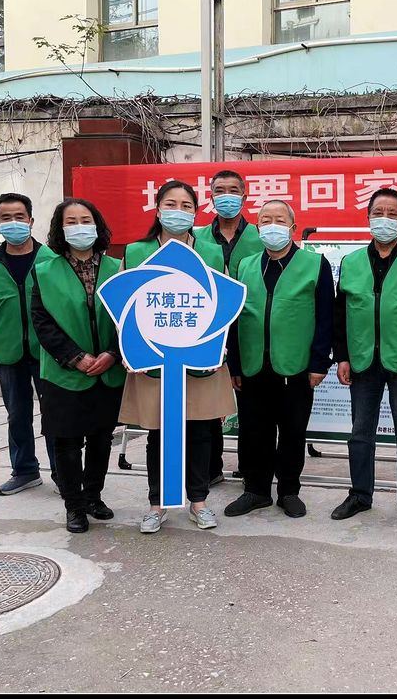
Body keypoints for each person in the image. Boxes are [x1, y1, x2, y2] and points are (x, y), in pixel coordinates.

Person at [119, 180, 235, 534]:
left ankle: (199, 502)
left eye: (187, 206)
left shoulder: (211, 252)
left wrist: (218, 345)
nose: (179, 212)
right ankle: (158, 504)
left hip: (200, 357)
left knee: (199, 430)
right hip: (154, 359)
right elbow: (124, 306)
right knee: (159, 433)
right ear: (157, 209)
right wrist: (130, 347)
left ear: (196, 212)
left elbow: (223, 302)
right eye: (171, 204)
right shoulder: (136, 252)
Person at [331, 188, 397, 525]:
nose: (385, 219)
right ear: (368, 218)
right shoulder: (351, 262)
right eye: (378, 213)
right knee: (360, 432)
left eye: (392, 214)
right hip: (363, 360)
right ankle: (360, 495)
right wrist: (343, 356)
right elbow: (340, 313)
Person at [224, 200, 334, 519]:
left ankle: (288, 491)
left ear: (293, 227)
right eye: (265, 220)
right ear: (258, 228)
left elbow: (326, 317)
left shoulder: (315, 264)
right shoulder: (245, 265)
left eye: (279, 220)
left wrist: (319, 363)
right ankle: (256, 490)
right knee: (253, 431)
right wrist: (235, 365)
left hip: (296, 366)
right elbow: (235, 318)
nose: (272, 226)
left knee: (292, 431)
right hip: (252, 365)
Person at [30, 199, 126, 533]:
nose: (79, 227)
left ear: (97, 226)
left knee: (101, 439)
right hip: (64, 372)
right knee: (67, 441)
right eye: (71, 222)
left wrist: (113, 353)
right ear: (60, 229)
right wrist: (75, 357)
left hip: (108, 369)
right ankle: (74, 506)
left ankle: (93, 496)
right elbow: (41, 321)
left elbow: (130, 317)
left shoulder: (118, 267)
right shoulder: (45, 270)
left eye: (86, 220)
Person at [0, 193, 58, 496]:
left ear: (31, 220)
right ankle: (24, 471)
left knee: (55, 415)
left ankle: (63, 474)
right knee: (17, 414)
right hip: (8, 352)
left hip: (48, 351)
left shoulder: (52, 260)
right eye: (6, 218)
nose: (13, 223)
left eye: (19, 217)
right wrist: (4, 328)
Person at [194, 169, 265, 484]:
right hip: (208, 327)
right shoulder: (197, 238)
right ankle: (211, 469)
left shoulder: (260, 237)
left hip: (249, 326)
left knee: (250, 402)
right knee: (207, 399)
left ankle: (251, 468)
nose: (227, 196)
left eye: (233, 190)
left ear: (244, 195)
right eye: (220, 190)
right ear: (211, 197)